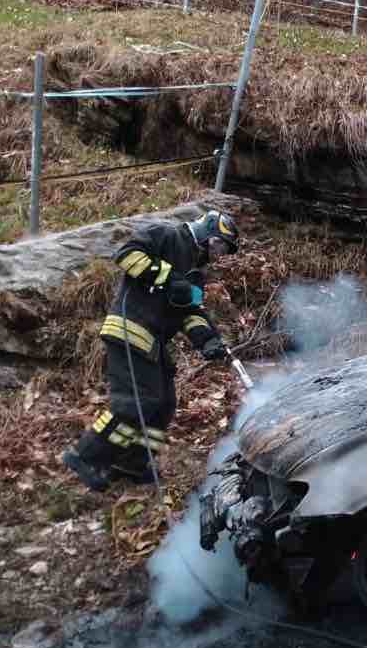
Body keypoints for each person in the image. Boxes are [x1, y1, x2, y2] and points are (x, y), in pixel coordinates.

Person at [62, 210, 239, 491]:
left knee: (164, 405)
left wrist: (207, 339)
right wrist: (168, 277)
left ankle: (133, 463)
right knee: (135, 404)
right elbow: (127, 255)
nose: (218, 253)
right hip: (128, 329)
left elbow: (190, 311)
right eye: (218, 244)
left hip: (152, 342)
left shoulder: (197, 272)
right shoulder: (167, 236)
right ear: (207, 231)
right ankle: (85, 456)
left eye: (223, 250)